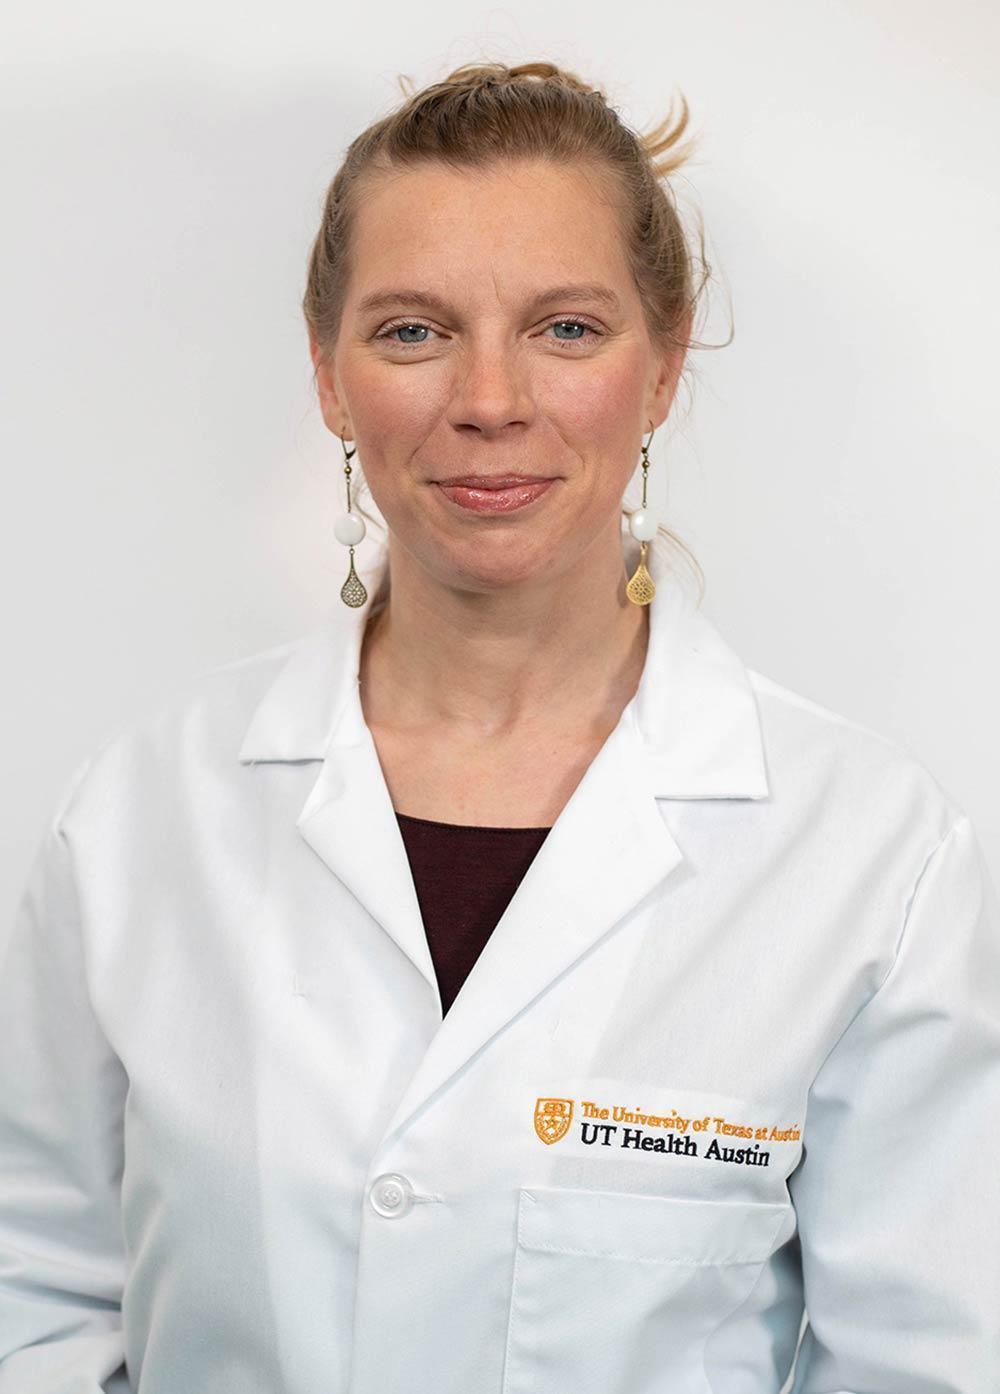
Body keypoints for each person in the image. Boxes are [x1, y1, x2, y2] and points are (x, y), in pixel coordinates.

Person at [1, 59, 997, 1394]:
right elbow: (37, 1296)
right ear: (327, 373)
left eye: (566, 329)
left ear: (664, 364)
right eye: (413, 330)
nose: (489, 399)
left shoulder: (872, 855)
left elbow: (926, 1364)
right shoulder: (139, 817)